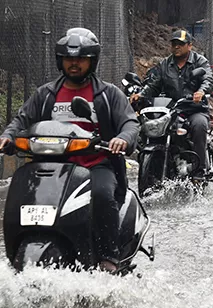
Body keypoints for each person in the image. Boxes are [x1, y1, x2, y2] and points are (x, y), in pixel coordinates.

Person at [0, 28, 140, 273]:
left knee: (102, 194)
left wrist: (122, 139)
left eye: (80, 59)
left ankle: (109, 257)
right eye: (68, 59)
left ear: (92, 61)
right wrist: (7, 136)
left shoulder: (108, 94)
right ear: (60, 61)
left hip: (95, 163)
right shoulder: (46, 94)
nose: (74, 64)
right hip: (51, 165)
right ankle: (14, 250)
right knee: (24, 197)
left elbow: (130, 122)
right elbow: (21, 119)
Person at [131, 29, 213, 179]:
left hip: (193, 108)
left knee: (199, 125)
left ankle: (199, 171)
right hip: (171, 108)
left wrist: (201, 91)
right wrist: (141, 95)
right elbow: (154, 84)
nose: (176, 47)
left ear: (189, 46)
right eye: (174, 44)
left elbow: (208, 79)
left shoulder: (199, 61)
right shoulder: (165, 64)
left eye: (180, 44)